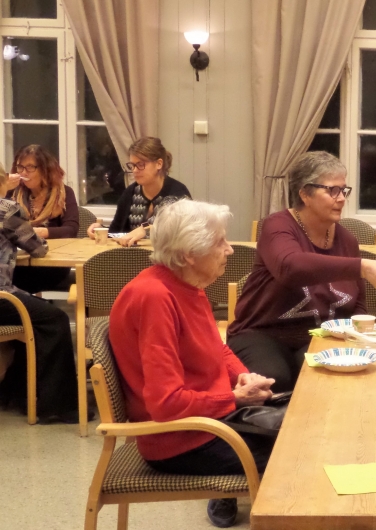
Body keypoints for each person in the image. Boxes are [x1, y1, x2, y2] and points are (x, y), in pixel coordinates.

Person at [109, 199, 276, 528]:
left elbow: (217, 349)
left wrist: (244, 377)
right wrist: (234, 398)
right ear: (188, 254)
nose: (229, 250)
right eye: (220, 242)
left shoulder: (187, 285)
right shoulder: (155, 297)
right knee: (297, 457)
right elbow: (166, 404)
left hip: (211, 421)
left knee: (301, 432)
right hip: (181, 440)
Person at [226, 151, 376, 392]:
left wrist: (357, 338)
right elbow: (290, 267)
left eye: (344, 190)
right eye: (332, 190)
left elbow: (357, 303)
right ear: (304, 193)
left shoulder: (347, 241)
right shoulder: (278, 227)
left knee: (328, 379)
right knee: (273, 379)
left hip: (320, 336)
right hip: (263, 333)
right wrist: (361, 266)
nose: (342, 198)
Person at [0, 163, 79, 424]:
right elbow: (38, 249)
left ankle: (18, 392)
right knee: (53, 320)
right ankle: (56, 405)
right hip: (1, 297)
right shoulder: (7, 210)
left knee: (34, 310)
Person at [85, 137, 191, 247]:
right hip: (133, 259)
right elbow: (117, 232)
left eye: (141, 165)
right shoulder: (130, 193)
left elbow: (183, 234)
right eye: (133, 165)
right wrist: (101, 231)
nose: (135, 170)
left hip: (166, 260)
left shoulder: (178, 194)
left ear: (159, 164)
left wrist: (146, 230)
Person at [7, 145, 79, 293]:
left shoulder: (64, 193)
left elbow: (71, 230)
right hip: (20, 260)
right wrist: (3, 188)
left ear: (45, 169)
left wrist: (40, 232)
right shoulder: (14, 192)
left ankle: (29, 311)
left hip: (52, 261)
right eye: (20, 167)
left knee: (16, 280)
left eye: (30, 167)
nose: (23, 172)